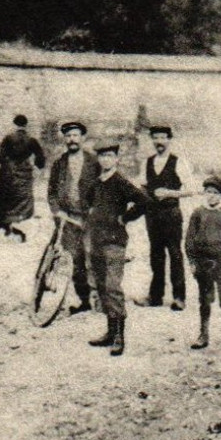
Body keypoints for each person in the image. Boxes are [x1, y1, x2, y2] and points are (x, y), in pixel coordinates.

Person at [84, 140, 149, 356]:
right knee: (102, 287)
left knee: (113, 286)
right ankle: (110, 332)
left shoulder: (120, 182)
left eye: (110, 156)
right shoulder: (96, 183)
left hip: (114, 242)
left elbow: (144, 201)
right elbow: (88, 203)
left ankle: (120, 336)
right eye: (102, 156)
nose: (105, 160)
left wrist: (124, 218)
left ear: (116, 159)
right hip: (96, 242)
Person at [185, 174, 221, 351]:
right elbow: (189, 239)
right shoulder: (198, 213)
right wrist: (192, 260)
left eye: (215, 193)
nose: (211, 196)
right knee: (205, 299)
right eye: (208, 192)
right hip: (204, 263)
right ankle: (203, 334)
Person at [46, 121, 96, 316]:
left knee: (94, 257)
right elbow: (51, 192)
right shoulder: (59, 164)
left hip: (90, 219)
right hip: (68, 219)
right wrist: (56, 211)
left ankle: (98, 299)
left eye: (75, 135)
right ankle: (84, 300)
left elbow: (103, 189)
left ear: (83, 138)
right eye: (68, 136)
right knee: (74, 260)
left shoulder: (94, 162)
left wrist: (97, 210)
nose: (72, 140)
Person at [142, 123, 188, 311]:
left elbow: (190, 189)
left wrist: (169, 193)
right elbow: (142, 185)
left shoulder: (178, 162)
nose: (159, 141)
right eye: (156, 138)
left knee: (175, 253)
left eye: (162, 137)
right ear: (152, 140)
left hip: (171, 213)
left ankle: (179, 297)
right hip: (152, 214)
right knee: (156, 254)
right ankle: (155, 296)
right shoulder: (148, 162)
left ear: (169, 140)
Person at [0, 115, 46, 240]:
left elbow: (1, 158)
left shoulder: (8, 138)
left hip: (9, 171)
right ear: (26, 125)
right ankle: (22, 224)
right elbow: (41, 159)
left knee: (7, 197)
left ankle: (5, 224)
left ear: (14, 124)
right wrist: (37, 166)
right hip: (24, 171)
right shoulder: (31, 140)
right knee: (23, 197)